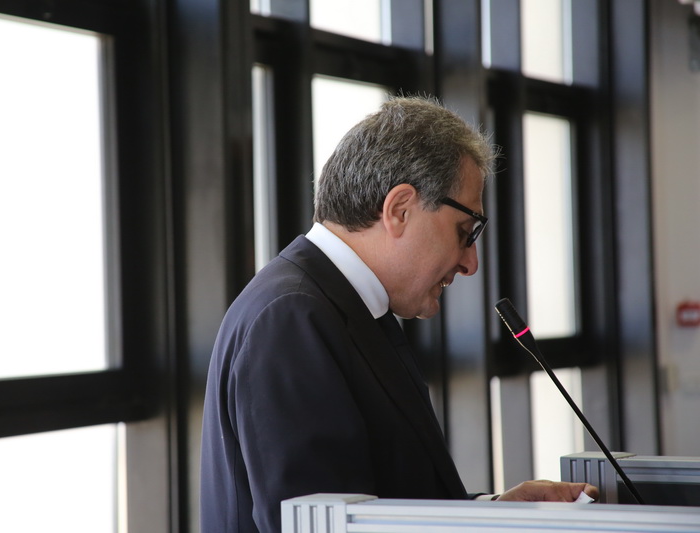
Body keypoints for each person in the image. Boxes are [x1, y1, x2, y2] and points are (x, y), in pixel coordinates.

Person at [199, 96, 598, 533]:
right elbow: (321, 525)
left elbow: (384, 502)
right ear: (399, 209)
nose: (471, 263)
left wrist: (496, 510)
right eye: (465, 232)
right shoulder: (291, 318)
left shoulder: (346, 305)